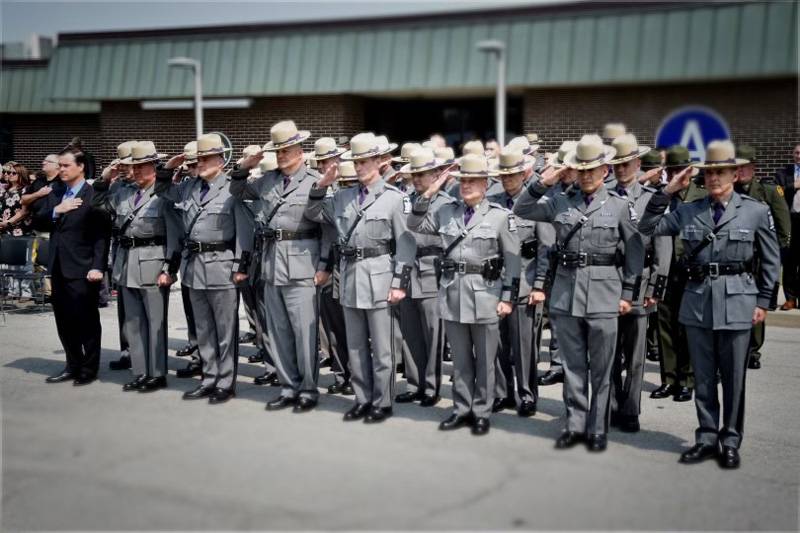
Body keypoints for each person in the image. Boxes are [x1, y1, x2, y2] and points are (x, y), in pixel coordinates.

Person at [638, 140, 780, 469]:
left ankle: (730, 440)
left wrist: (763, 301)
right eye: (710, 173)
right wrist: (668, 192)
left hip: (739, 302)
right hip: (698, 301)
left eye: (721, 172)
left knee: (732, 378)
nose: (714, 178)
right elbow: (646, 228)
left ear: (734, 173)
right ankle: (705, 437)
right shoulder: (688, 210)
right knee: (702, 377)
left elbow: (771, 261)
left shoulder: (756, 211)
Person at [513, 135, 645, 452]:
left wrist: (628, 291)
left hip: (604, 295)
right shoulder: (560, 201)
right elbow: (523, 207)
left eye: (592, 169)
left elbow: (635, 252)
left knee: (601, 369)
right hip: (565, 295)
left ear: (604, 170)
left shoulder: (619, 205)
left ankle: (597, 428)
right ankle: (575, 424)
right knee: (573, 368)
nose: (586, 175)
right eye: (580, 169)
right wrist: (547, 179)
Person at [306, 132, 416, 424]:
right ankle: (362, 398)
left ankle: (383, 401)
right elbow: (313, 212)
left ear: (379, 161)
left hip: (380, 275)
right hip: (351, 277)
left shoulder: (395, 199)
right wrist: (322, 184)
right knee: (355, 346)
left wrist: (399, 283)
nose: (360, 167)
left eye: (365, 161)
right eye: (356, 162)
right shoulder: (342, 197)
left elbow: (405, 245)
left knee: (381, 348)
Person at [408, 152, 520, 435]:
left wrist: (508, 298)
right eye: (462, 180)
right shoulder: (446, 211)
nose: (466, 185)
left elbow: (514, 260)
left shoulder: (499, 216)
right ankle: (461, 408)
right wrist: (432, 190)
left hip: (486, 295)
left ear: (485, 183)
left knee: (484, 360)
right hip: (453, 294)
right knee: (460, 360)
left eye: (472, 180)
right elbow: (413, 223)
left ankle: (482, 411)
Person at [231, 121, 331, 413]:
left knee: (304, 333)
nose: (283, 155)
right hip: (272, 265)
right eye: (279, 150)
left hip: (304, 266)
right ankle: (289, 387)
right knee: (279, 332)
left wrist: (324, 265)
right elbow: (237, 191)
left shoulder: (315, 180)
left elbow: (328, 230)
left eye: (287, 149)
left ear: (300, 149)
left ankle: (308, 390)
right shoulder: (268, 181)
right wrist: (244, 166)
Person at [159, 133, 253, 404]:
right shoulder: (188, 187)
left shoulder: (232, 189)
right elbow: (163, 191)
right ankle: (208, 378)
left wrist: (241, 266)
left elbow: (244, 232)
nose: (199, 163)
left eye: (205, 158)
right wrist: (168, 168)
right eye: (197, 159)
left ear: (221, 160)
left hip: (222, 265)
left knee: (225, 331)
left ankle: (225, 382)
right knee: (203, 330)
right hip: (194, 267)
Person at [93, 141, 181, 392]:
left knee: (155, 323)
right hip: (126, 262)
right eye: (135, 166)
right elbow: (98, 206)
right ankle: (141, 372)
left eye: (143, 166)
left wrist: (170, 269)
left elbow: (175, 235)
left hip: (153, 263)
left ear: (154, 166)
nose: (138, 171)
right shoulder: (124, 192)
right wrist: (103, 179)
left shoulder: (164, 194)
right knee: (132, 323)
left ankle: (158, 374)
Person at [605, 134, 672, 433]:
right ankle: (611, 405)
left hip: (640, 284)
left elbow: (663, 246)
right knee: (607, 353)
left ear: (637, 162)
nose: (621, 169)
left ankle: (630, 410)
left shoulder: (650, 197)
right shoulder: (602, 195)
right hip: (605, 282)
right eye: (616, 164)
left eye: (626, 163)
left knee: (633, 356)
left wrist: (656, 287)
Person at [489, 148, 554, 417]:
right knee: (498, 343)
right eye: (503, 175)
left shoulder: (537, 204)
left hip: (525, 284)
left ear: (524, 173)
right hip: (496, 283)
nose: (507, 179)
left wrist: (539, 285)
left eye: (512, 174)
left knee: (524, 345)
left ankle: (526, 394)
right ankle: (502, 393)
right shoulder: (492, 202)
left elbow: (546, 246)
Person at [40, 146, 110, 386]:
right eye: (59, 166)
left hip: (83, 268)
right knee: (64, 320)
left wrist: (98, 266)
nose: (61, 170)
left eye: (66, 165)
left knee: (86, 321)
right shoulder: (57, 192)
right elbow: (36, 219)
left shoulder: (93, 195)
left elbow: (101, 235)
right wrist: (55, 211)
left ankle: (89, 369)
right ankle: (72, 364)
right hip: (58, 267)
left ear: (80, 166)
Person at [394, 148, 455, 407]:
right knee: (410, 334)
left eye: (423, 174)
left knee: (432, 335)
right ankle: (414, 384)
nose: (417, 179)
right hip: (407, 272)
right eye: (414, 175)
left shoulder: (445, 202)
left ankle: (431, 387)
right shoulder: (404, 199)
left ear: (436, 174)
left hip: (432, 270)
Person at [650, 146, 703, 402]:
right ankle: (668, 379)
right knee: (665, 327)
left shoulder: (701, 197)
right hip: (665, 269)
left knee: (688, 328)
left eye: (680, 170)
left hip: (692, 270)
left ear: (690, 171)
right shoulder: (662, 197)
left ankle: (687, 379)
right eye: (671, 170)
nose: (676, 175)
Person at [733, 145, 791, 369]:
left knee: (756, 304)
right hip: (737, 258)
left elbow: (783, 226)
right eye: (737, 167)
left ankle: (752, 351)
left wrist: (773, 253)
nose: (741, 171)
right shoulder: (730, 192)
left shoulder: (768, 191)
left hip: (758, 258)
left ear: (753, 167)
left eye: (745, 166)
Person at [772, 143, 800, 310]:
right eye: (797, 152)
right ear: (792, 154)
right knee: (790, 261)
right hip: (790, 220)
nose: (799, 155)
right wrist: (793, 186)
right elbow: (777, 191)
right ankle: (790, 299)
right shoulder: (783, 173)